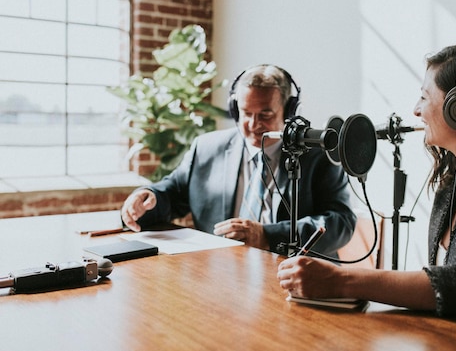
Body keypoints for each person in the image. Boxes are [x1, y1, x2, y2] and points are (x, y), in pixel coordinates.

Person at [277, 39, 456, 328]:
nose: (416, 110)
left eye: (425, 97)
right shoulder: (454, 175)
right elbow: (450, 284)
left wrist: (342, 280)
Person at [121, 64, 356, 256]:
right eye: (246, 113)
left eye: (265, 114)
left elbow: (341, 223)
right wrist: (147, 198)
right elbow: (172, 194)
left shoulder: (319, 155)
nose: (254, 125)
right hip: (220, 276)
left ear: (289, 112)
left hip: (297, 276)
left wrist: (267, 236)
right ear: (235, 109)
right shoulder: (206, 148)